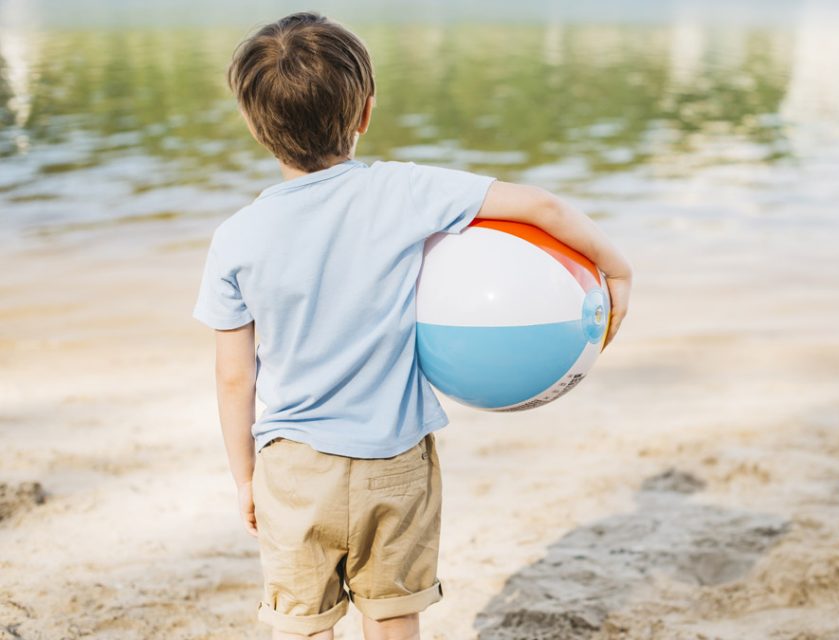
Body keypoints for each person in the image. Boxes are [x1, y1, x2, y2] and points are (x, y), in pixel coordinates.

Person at [191, 11, 632, 640]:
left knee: (301, 622)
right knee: (394, 614)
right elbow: (543, 207)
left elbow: (234, 377)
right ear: (365, 111)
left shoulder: (235, 238)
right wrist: (617, 271)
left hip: (292, 467)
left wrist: (244, 479)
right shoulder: (403, 191)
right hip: (393, 459)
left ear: (252, 125)